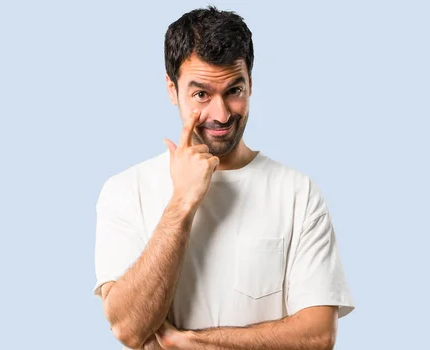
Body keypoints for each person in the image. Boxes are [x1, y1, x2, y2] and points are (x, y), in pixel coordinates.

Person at [93, 6, 354, 350]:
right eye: (201, 94)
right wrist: (183, 202)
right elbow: (128, 328)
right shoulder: (126, 190)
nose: (221, 114)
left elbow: (319, 335)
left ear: (250, 83)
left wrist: (191, 343)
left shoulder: (297, 192)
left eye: (234, 90)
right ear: (172, 90)